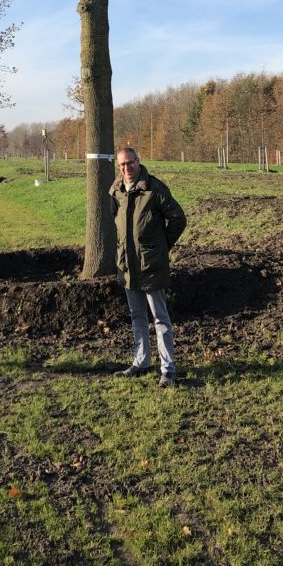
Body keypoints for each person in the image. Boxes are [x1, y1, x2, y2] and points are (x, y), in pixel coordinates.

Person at [109, 147, 187, 386]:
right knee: (137, 316)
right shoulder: (116, 191)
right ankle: (141, 362)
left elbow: (178, 219)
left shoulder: (155, 189)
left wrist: (161, 246)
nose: (126, 169)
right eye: (122, 165)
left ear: (138, 162)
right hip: (128, 265)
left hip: (152, 265)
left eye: (130, 163)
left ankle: (168, 369)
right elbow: (115, 222)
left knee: (160, 318)